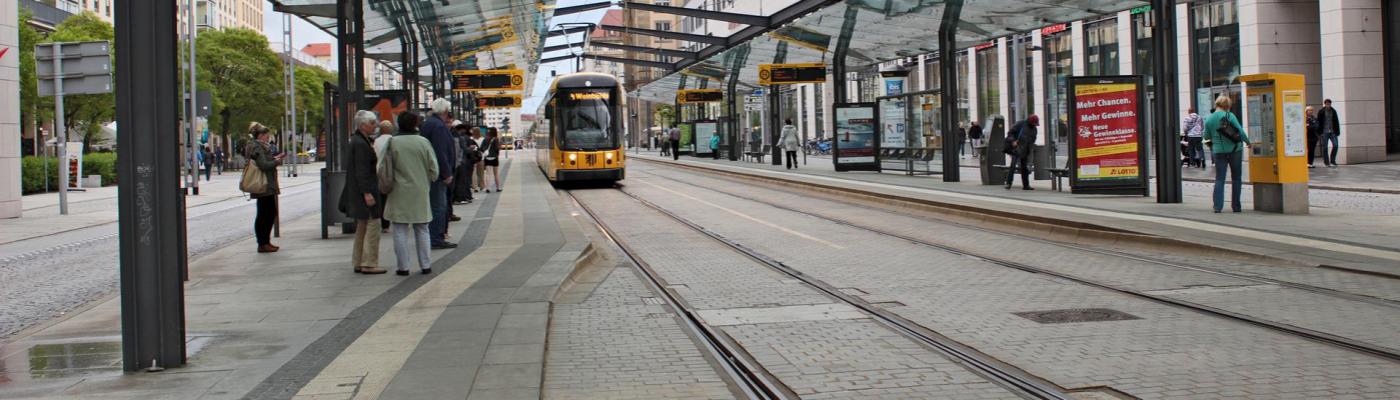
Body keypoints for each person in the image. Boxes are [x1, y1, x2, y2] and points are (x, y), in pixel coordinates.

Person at [383, 112, 438, 275]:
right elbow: (434, 170)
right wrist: (428, 179)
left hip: (399, 191)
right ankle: (426, 265)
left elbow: (385, 168)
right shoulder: (424, 142)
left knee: (400, 229)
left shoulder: (392, 143)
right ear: (415, 124)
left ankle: (403, 267)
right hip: (420, 190)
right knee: (422, 228)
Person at [344, 111, 387, 275]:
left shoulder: (357, 140)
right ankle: (369, 262)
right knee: (372, 225)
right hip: (366, 190)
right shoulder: (361, 144)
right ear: (362, 125)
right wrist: (367, 193)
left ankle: (359, 260)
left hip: (360, 190)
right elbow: (362, 170)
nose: (375, 125)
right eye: (371, 123)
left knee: (362, 226)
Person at [1203, 95, 1250, 213]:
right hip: (1235, 150)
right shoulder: (1230, 115)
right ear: (1227, 105)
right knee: (1236, 178)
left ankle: (1217, 207)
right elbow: (1240, 131)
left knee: (1219, 178)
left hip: (1218, 152)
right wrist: (1248, 142)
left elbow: (1206, 137)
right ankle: (1236, 206)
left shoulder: (1209, 118)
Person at [421, 99, 458, 249]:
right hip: (437, 175)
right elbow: (440, 151)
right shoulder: (438, 126)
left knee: (436, 205)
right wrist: (446, 173)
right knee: (439, 206)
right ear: (445, 111)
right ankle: (436, 238)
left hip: (431, 172)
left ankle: (435, 236)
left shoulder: (429, 123)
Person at [245, 122, 283, 253]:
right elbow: (263, 165)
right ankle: (263, 242)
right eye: (266, 136)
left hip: (265, 184)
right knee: (266, 213)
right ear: (260, 135)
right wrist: (276, 161)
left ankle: (265, 242)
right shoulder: (257, 147)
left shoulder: (257, 146)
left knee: (266, 212)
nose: (268, 138)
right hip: (263, 184)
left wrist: (274, 158)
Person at [1003, 115, 1039, 190]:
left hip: (1025, 150)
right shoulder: (1021, 124)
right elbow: (1010, 132)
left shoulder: (1034, 129)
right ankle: (1009, 183)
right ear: (1030, 121)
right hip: (1016, 148)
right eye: (1034, 123)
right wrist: (1013, 141)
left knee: (1024, 168)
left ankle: (1026, 185)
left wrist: (1030, 147)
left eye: (1035, 124)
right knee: (1013, 166)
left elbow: (1033, 139)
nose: (1035, 125)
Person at [453, 125, 478, 204]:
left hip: (458, 162)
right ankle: (461, 197)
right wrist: (471, 148)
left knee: (460, 181)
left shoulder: (454, 136)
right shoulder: (462, 138)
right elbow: (465, 150)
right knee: (463, 180)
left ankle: (460, 197)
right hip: (463, 162)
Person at [1317, 98, 1341, 168]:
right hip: (1324, 131)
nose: (1328, 105)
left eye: (1329, 104)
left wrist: (1338, 131)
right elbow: (1319, 122)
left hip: (1333, 131)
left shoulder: (1333, 111)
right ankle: (1326, 162)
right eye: (1327, 104)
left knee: (1336, 145)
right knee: (1325, 147)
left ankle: (1332, 160)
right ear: (1325, 104)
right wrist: (1319, 132)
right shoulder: (1321, 111)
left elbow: (1336, 122)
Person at [482, 127, 503, 193]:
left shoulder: (485, 139)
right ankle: (498, 188)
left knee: (488, 174)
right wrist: (497, 153)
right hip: (494, 158)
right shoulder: (496, 139)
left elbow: (481, 148)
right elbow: (497, 149)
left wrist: (485, 151)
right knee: (496, 174)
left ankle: (488, 188)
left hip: (487, 158)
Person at [471, 129, 487, 193]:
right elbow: (485, 149)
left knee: (473, 173)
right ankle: (482, 186)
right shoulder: (483, 139)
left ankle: (475, 187)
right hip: (481, 158)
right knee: (481, 174)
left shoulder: (471, 139)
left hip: (473, 159)